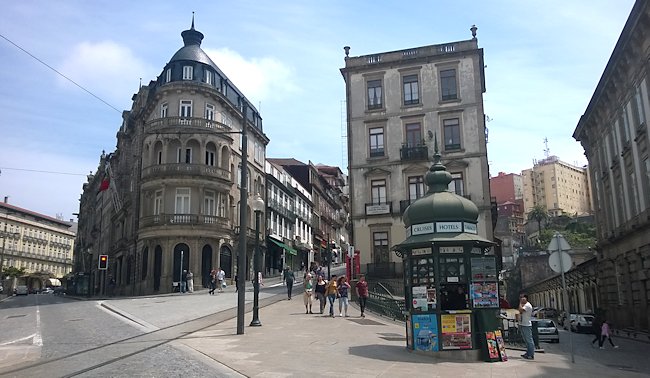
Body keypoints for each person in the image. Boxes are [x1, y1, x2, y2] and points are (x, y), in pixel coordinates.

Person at [518, 294, 534, 360]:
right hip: (523, 324)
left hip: (526, 325)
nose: (521, 299)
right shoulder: (524, 305)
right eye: (521, 298)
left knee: (529, 340)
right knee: (526, 340)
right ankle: (528, 353)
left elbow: (520, 310)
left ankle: (531, 354)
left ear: (526, 298)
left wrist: (520, 303)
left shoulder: (527, 305)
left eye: (523, 298)